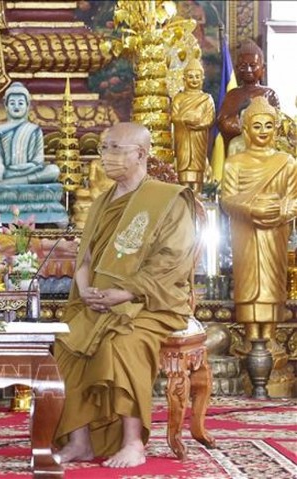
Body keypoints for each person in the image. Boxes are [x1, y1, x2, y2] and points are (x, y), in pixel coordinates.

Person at [54, 122, 198, 468]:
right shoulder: (103, 201)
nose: (106, 156)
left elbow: (172, 262)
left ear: (141, 154)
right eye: (104, 148)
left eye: (115, 148)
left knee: (120, 343)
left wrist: (126, 292)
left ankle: (133, 442)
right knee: (64, 343)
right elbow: (86, 256)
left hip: (153, 302)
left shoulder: (167, 200)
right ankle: (80, 439)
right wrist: (86, 288)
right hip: (102, 299)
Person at [220, 97, 297, 353]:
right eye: (257, 126)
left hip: (275, 232)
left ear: (276, 129)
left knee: (273, 283)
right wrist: (253, 208)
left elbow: (294, 200)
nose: (263, 131)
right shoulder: (234, 163)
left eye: (268, 126)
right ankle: (251, 337)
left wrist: (280, 210)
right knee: (249, 283)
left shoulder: (286, 162)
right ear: (246, 129)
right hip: (245, 233)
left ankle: (271, 338)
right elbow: (227, 200)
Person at [217, 39, 280, 154]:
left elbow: (277, 124)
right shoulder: (232, 94)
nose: (248, 69)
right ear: (236, 69)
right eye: (243, 66)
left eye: (253, 65)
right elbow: (223, 124)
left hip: (265, 149)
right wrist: (244, 123)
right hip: (240, 149)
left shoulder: (269, 94)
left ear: (263, 68)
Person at [0, 82, 59, 184]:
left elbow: (39, 159)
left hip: (29, 171)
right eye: (12, 103)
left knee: (54, 170)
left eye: (21, 103)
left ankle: (13, 182)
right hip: (7, 171)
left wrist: (27, 166)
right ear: (6, 106)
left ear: (27, 105)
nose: (16, 106)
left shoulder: (35, 129)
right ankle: (11, 182)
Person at [171, 58, 215, 193]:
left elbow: (210, 118)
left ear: (202, 78)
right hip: (183, 137)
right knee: (184, 164)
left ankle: (197, 192)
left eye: (197, 77)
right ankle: (184, 190)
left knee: (197, 164)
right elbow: (173, 116)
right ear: (184, 79)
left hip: (199, 137)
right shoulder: (179, 98)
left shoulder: (207, 98)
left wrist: (198, 123)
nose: (194, 80)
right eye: (190, 77)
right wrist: (185, 119)